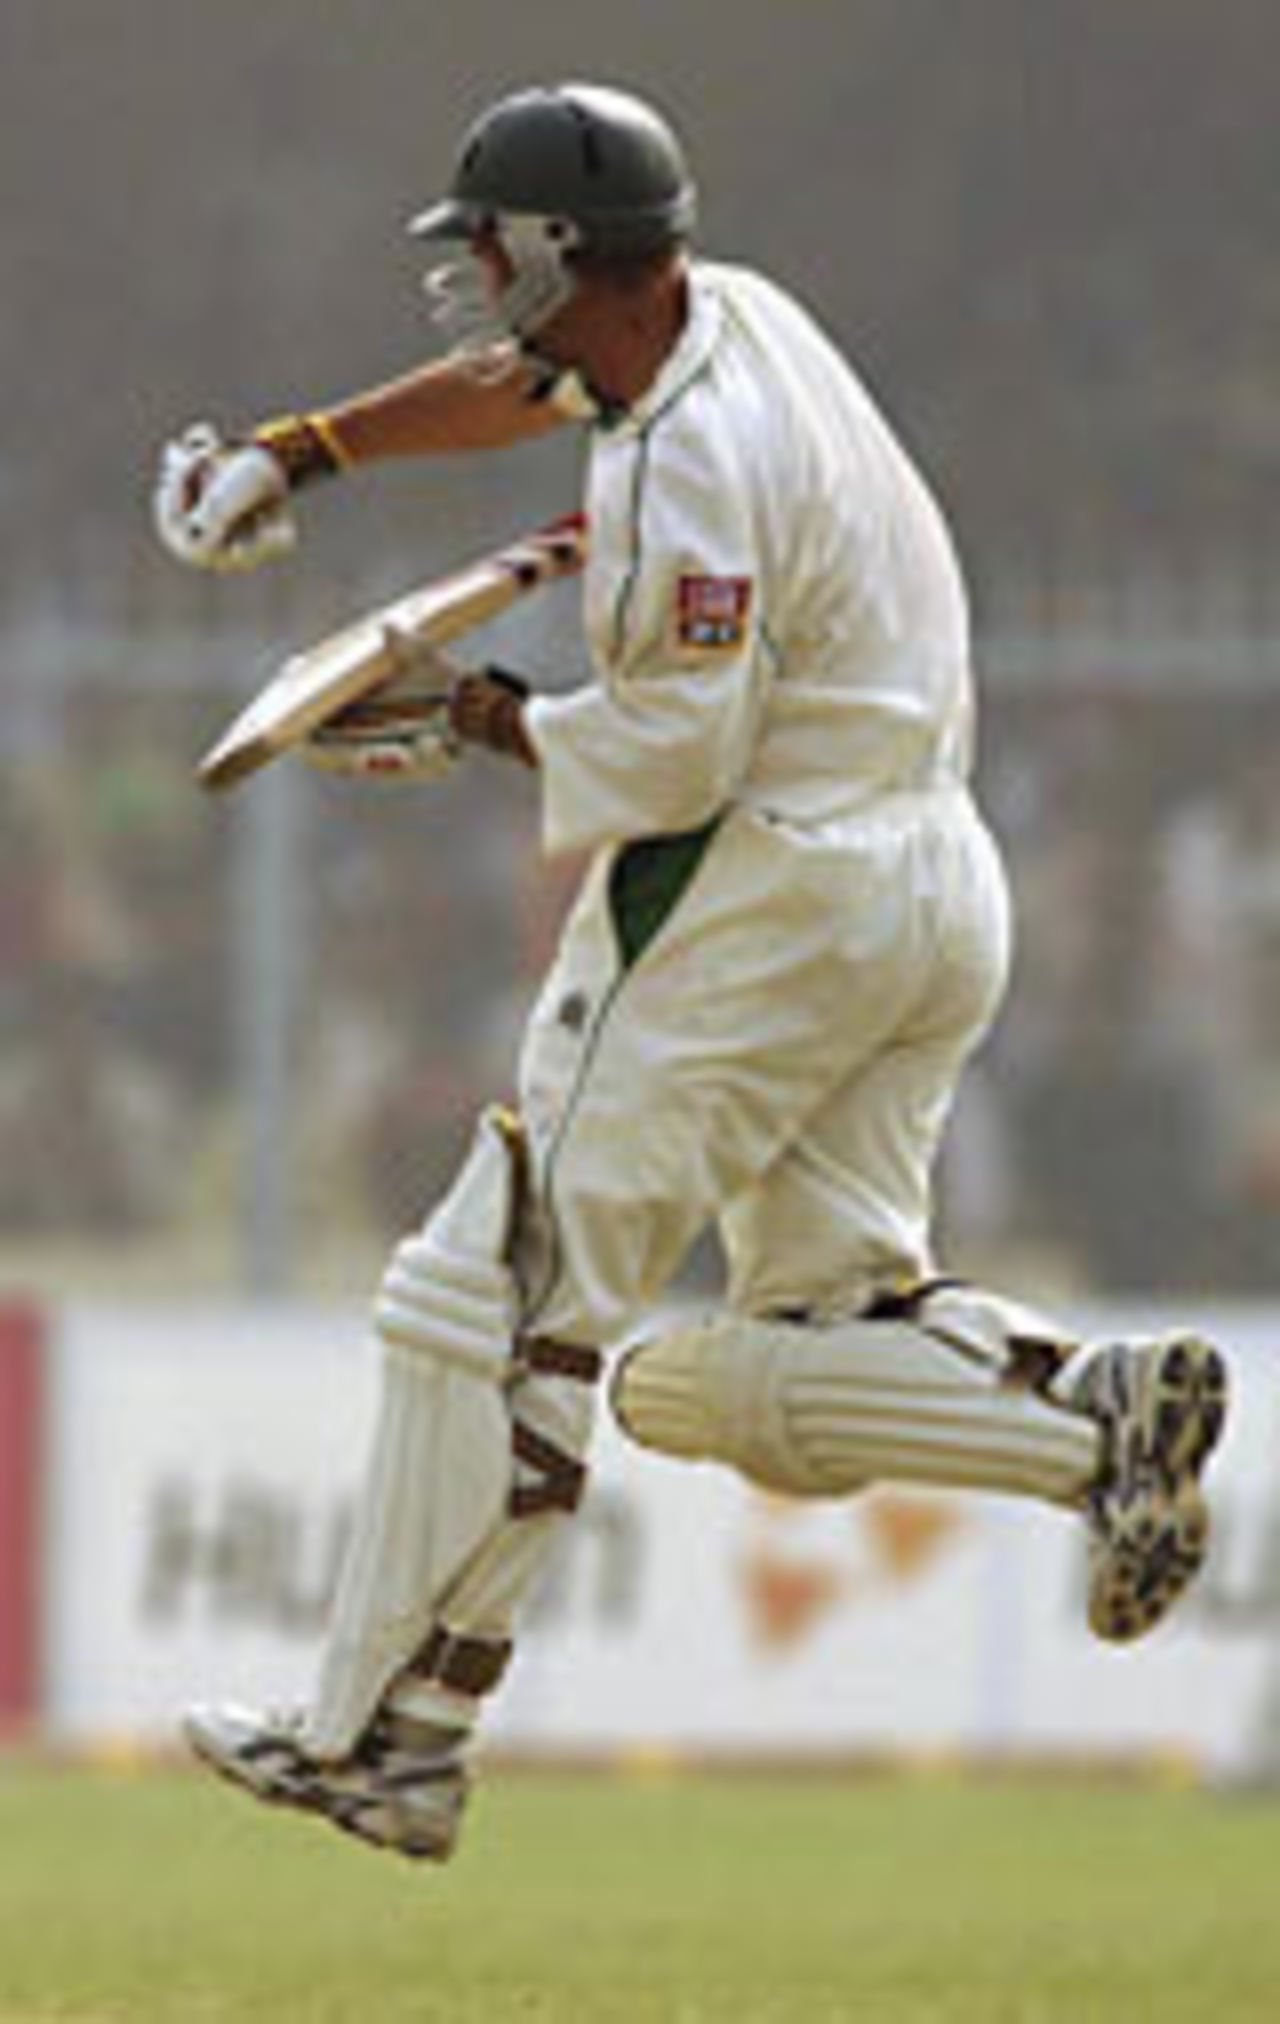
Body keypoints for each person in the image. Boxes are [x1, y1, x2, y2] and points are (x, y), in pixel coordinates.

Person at [153, 80, 1229, 1862]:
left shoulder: (681, 467)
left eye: (490, 251)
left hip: (768, 896)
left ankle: (383, 1734)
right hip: (933, 881)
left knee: (490, 1285)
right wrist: (306, 448)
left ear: (572, 253)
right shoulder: (737, 315)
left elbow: (673, 760)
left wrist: (468, 718)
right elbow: (530, 387)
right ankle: (1089, 1426)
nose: (471, 284)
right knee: (777, 1363)